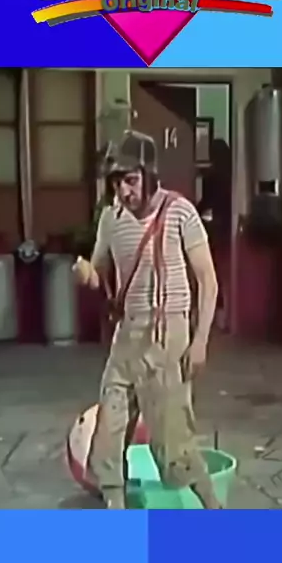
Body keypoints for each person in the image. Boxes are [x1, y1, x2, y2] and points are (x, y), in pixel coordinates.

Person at [73, 131, 222, 509]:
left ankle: (214, 510)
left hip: (167, 333)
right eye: (116, 183)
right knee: (110, 428)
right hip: (127, 335)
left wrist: (200, 340)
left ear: (150, 175)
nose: (123, 191)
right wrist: (87, 274)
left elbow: (208, 280)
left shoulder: (180, 212)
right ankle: (116, 511)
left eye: (130, 180)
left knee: (172, 438)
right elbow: (99, 270)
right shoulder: (111, 219)